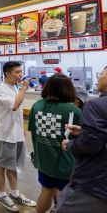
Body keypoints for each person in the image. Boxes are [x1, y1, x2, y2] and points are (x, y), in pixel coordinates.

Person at [28, 74, 80, 213]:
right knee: (63, 194)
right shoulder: (72, 110)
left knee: (46, 191)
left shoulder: (37, 105)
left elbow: (32, 129)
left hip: (43, 160)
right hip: (65, 162)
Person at [57, 70, 107, 213]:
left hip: (94, 183)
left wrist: (70, 144)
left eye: (101, 74)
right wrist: (87, 131)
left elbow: (90, 144)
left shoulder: (95, 105)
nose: (98, 78)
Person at [0, 61, 36, 212]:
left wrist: (21, 127)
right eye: (17, 72)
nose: (20, 74)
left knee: (12, 165)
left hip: (16, 133)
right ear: (7, 74)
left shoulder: (14, 87)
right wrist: (24, 88)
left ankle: (15, 192)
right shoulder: (0, 89)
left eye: (21, 71)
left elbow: (17, 112)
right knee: (2, 164)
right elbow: (15, 106)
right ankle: (1, 194)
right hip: (5, 134)